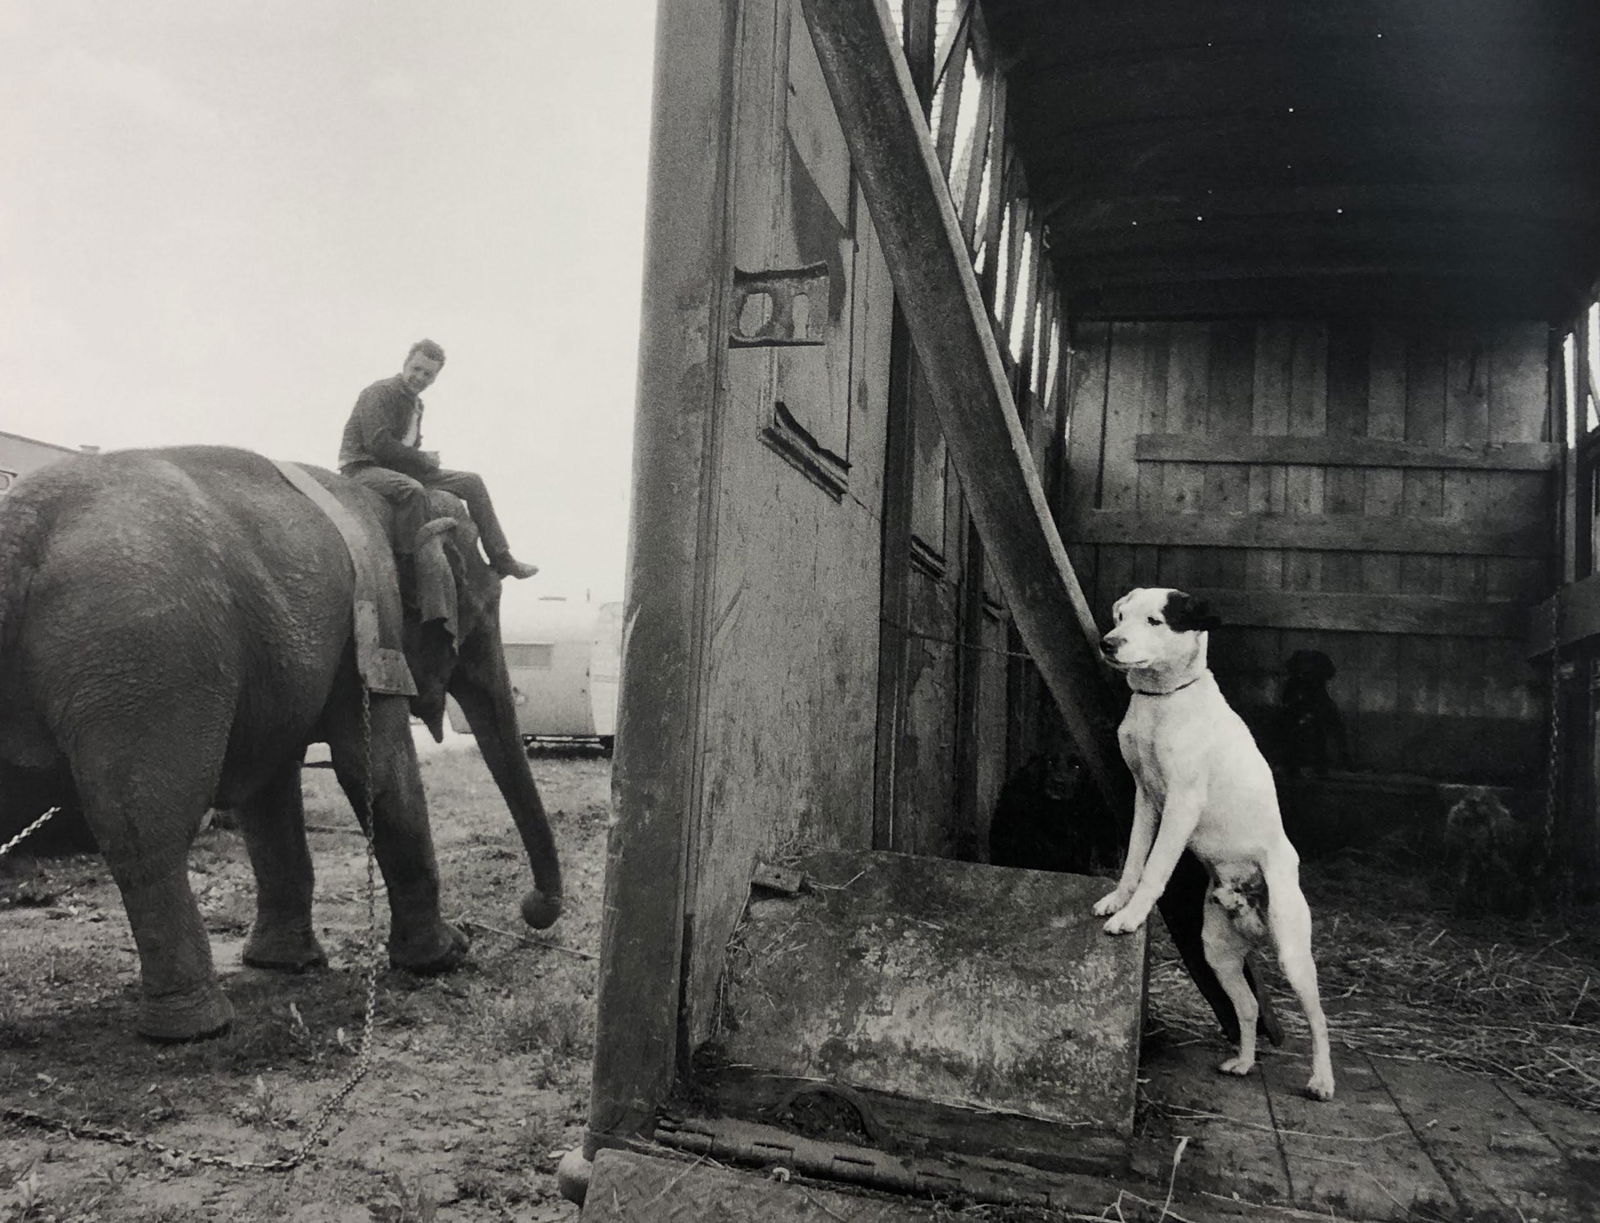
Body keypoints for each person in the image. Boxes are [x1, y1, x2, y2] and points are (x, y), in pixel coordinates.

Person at [338, 339, 539, 579]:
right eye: (416, 369)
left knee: (472, 482)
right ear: (405, 364)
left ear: (435, 378)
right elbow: (378, 444)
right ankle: (408, 566)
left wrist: (423, 459)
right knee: (412, 490)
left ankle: (501, 557)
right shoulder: (379, 393)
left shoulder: (416, 404)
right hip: (364, 467)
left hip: (396, 469)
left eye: (428, 374)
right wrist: (423, 459)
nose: (420, 377)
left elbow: (406, 449)